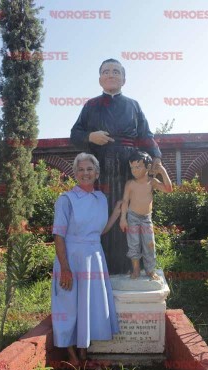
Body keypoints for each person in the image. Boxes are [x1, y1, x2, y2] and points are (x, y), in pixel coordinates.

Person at [70, 58, 163, 275]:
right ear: (100, 79)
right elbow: (74, 135)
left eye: (116, 71)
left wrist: (156, 155)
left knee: (131, 212)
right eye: (106, 71)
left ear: (124, 79)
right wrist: (90, 136)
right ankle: (102, 267)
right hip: (100, 168)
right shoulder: (90, 106)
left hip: (130, 167)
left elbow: (145, 135)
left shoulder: (133, 105)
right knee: (103, 212)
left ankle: (133, 267)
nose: (111, 75)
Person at [51, 152, 122, 367]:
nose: (85, 173)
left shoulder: (101, 199)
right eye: (80, 169)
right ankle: (73, 359)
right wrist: (65, 268)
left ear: (97, 173)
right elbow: (58, 235)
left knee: (88, 306)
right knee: (68, 306)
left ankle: (83, 355)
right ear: (74, 173)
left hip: (94, 258)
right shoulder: (66, 200)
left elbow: (99, 231)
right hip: (71, 259)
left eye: (89, 169)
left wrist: (116, 213)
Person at [120, 151, 172, 280]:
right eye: (132, 167)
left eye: (138, 167)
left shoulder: (152, 182)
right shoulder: (130, 184)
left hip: (146, 219)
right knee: (133, 244)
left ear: (148, 167)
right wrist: (123, 218)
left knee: (150, 244)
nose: (134, 170)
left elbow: (168, 189)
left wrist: (162, 171)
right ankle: (136, 270)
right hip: (132, 217)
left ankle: (150, 270)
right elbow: (125, 201)